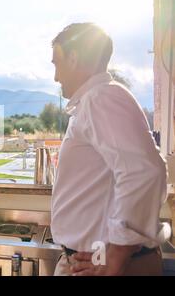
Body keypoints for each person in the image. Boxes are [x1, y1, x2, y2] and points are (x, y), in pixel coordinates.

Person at [50, 23, 170, 276]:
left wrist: (115, 257)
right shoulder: (93, 101)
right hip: (92, 260)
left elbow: (145, 171)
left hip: (107, 264)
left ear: (73, 58)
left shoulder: (100, 98)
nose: (56, 76)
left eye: (56, 63)